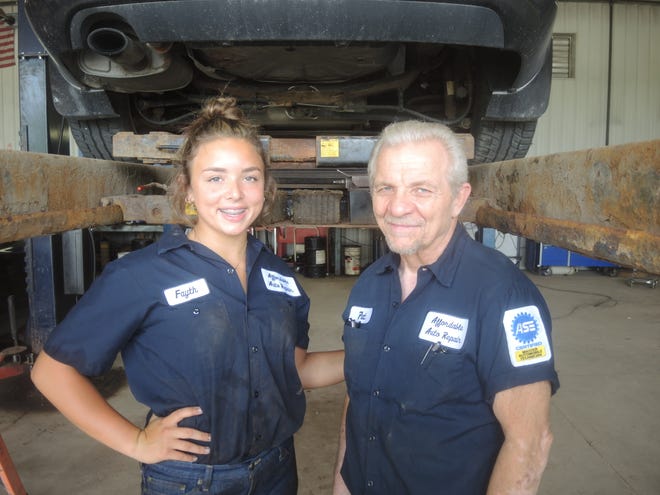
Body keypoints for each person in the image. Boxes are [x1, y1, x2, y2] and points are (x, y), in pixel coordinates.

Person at [31, 96, 344, 495]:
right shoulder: (140, 275)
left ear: (265, 189)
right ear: (189, 190)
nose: (234, 193)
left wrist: (374, 355)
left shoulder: (280, 275)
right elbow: (51, 372)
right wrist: (136, 442)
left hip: (277, 469)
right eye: (215, 178)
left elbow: (294, 370)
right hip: (191, 481)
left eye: (249, 177)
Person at [333, 120, 559, 495]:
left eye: (421, 189)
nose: (398, 207)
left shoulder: (503, 295)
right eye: (385, 188)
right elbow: (356, 401)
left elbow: (530, 444)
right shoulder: (368, 285)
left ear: (458, 198)